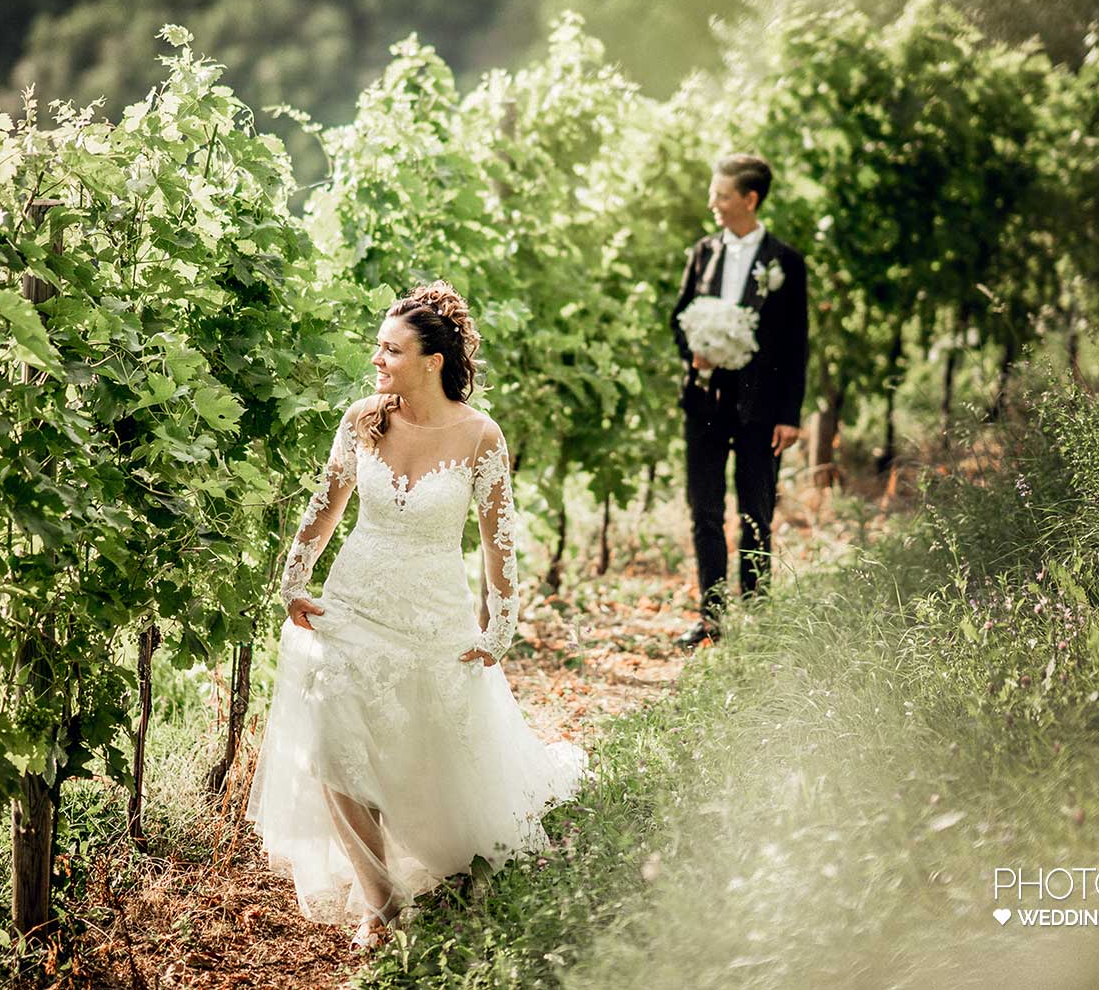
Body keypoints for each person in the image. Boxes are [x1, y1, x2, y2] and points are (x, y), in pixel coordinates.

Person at [247, 282, 588, 948]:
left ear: (433, 361)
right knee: (331, 740)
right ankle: (379, 903)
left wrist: (499, 625)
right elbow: (325, 505)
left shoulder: (480, 436)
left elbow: (498, 539)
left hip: (433, 613)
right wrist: (292, 582)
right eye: (378, 347)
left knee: (421, 748)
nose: (377, 360)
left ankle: (435, 859)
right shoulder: (362, 420)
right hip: (353, 602)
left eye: (391, 350)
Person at [669, 153, 809, 648]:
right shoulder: (702, 253)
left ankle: (755, 619)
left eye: (721, 195)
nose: (713, 202)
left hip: (761, 408)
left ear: (749, 199)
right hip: (704, 401)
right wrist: (693, 353)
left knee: (756, 514)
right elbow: (679, 318)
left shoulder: (786, 263)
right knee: (705, 511)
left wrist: (790, 416)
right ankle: (712, 618)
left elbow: (796, 343)